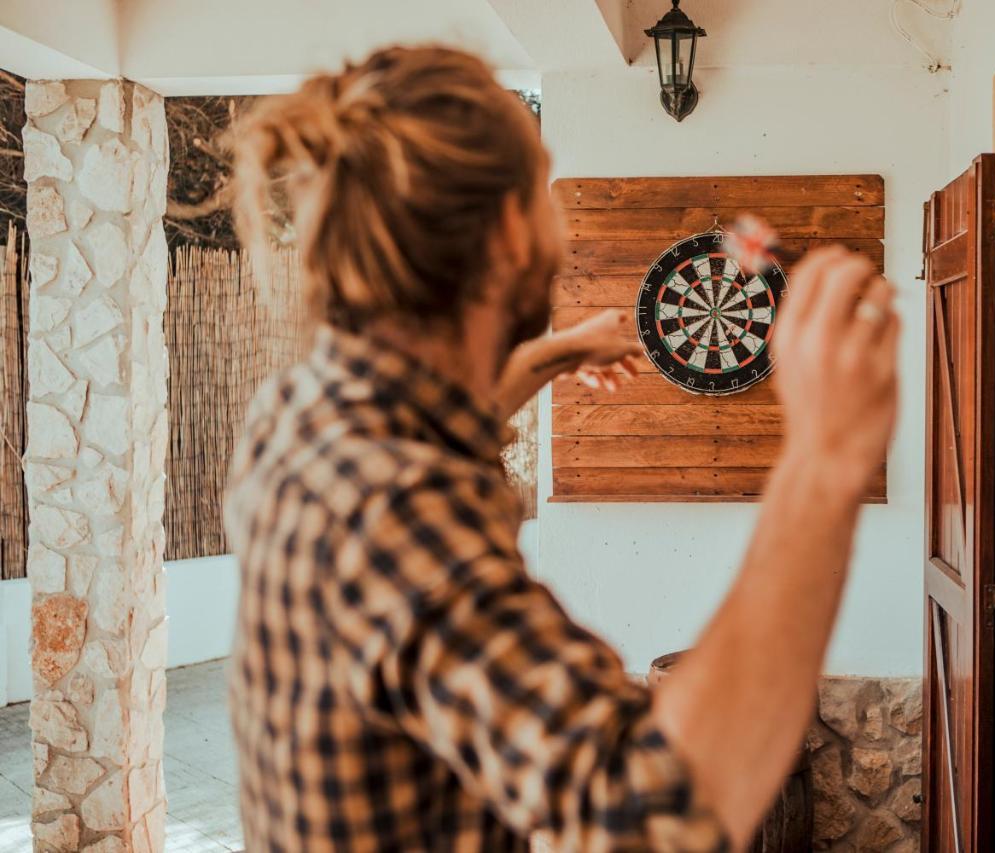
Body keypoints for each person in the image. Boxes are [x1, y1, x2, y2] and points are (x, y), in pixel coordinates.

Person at [224, 44, 899, 852]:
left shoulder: (303, 411)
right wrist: (823, 459)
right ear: (511, 227)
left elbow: (435, 423)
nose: (560, 216)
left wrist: (554, 352)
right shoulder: (388, 503)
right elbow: (653, 812)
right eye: (544, 187)